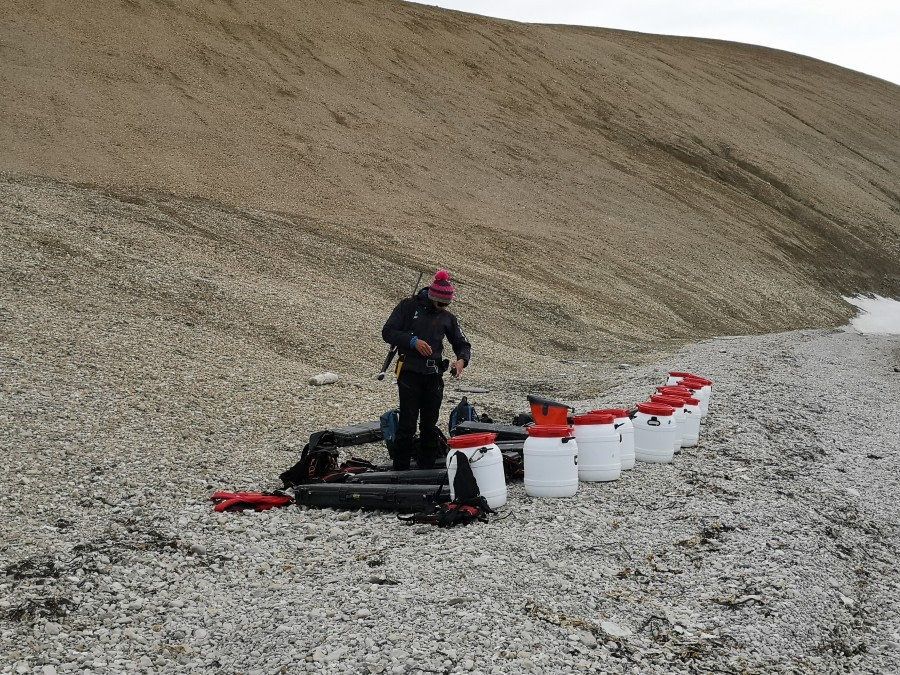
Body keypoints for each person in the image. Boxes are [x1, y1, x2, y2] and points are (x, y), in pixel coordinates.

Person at [382, 270, 471, 471]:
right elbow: (388, 332)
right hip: (409, 372)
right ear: (432, 297)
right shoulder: (407, 306)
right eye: (440, 304)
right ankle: (400, 469)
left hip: (434, 376)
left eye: (446, 305)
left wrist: (461, 361)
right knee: (407, 423)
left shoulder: (448, 317)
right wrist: (413, 342)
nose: (443, 308)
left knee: (429, 425)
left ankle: (426, 469)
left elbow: (462, 342)